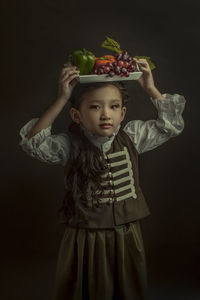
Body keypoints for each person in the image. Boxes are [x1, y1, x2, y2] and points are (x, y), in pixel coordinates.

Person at [19, 58, 186, 300]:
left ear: (122, 113)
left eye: (114, 106)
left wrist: (150, 88)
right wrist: (62, 98)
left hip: (126, 234)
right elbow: (33, 143)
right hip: (85, 236)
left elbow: (170, 126)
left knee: (127, 289)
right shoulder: (69, 144)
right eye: (95, 107)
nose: (106, 114)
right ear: (77, 115)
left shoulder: (132, 137)